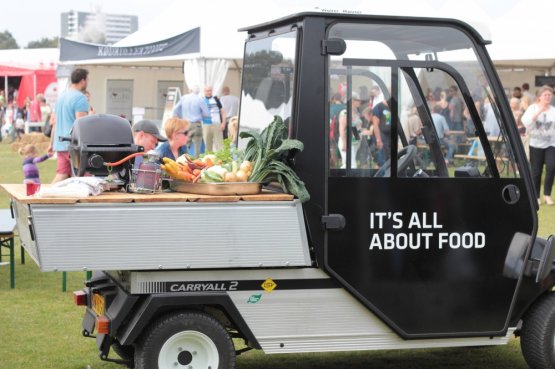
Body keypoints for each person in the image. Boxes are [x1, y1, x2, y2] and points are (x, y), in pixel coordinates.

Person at [48, 68, 89, 183]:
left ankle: (44, 197)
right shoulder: (80, 98)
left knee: (62, 175)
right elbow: (82, 124)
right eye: (87, 80)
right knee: (85, 177)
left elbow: (55, 122)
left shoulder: (61, 97)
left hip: (60, 143)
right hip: (73, 145)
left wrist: (51, 143)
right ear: (82, 81)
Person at [521, 85, 555, 206]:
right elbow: (526, 123)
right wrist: (539, 111)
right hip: (535, 144)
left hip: (551, 143)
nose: (548, 97)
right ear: (539, 97)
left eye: (550, 95)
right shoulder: (532, 108)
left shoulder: (553, 110)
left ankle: (547, 195)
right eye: (545, 95)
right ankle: (536, 196)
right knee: (536, 171)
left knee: (551, 167)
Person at [172, 86, 209, 157]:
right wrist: (200, 115)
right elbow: (207, 113)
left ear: (190, 90)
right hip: (196, 125)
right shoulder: (200, 99)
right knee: (197, 146)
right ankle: (196, 163)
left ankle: (183, 160)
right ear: (198, 92)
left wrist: (180, 117)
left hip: (185, 124)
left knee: (183, 144)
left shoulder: (184, 98)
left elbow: (175, 109)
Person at [338, 92, 363, 168]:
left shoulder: (356, 112)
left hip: (354, 143)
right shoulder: (345, 113)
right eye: (358, 100)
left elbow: (356, 127)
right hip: (347, 143)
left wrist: (359, 137)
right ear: (352, 101)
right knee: (350, 165)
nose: (360, 101)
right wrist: (345, 144)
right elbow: (342, 129)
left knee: (351, 164)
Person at [201, 85, 226, 152]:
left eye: (210, 90)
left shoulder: (217, 100)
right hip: (206, 124)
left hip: (216, 124)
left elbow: (223, 112)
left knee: (219, 144)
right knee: (207, 144)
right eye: (207, 91)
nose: (209, 92)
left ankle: (221, 159)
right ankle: (208, 159)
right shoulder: (201, 100)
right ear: (204, 91)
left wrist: (223, 123)